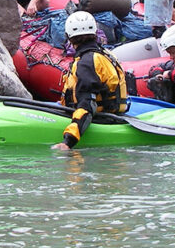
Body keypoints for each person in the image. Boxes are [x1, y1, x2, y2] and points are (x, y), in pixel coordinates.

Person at [52, 11, 128, 150]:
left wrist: (68, 141)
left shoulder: (87, 62)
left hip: (99, 118)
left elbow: (87, 104)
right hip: (111, 112)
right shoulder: (104, 54)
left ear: (68, 37)